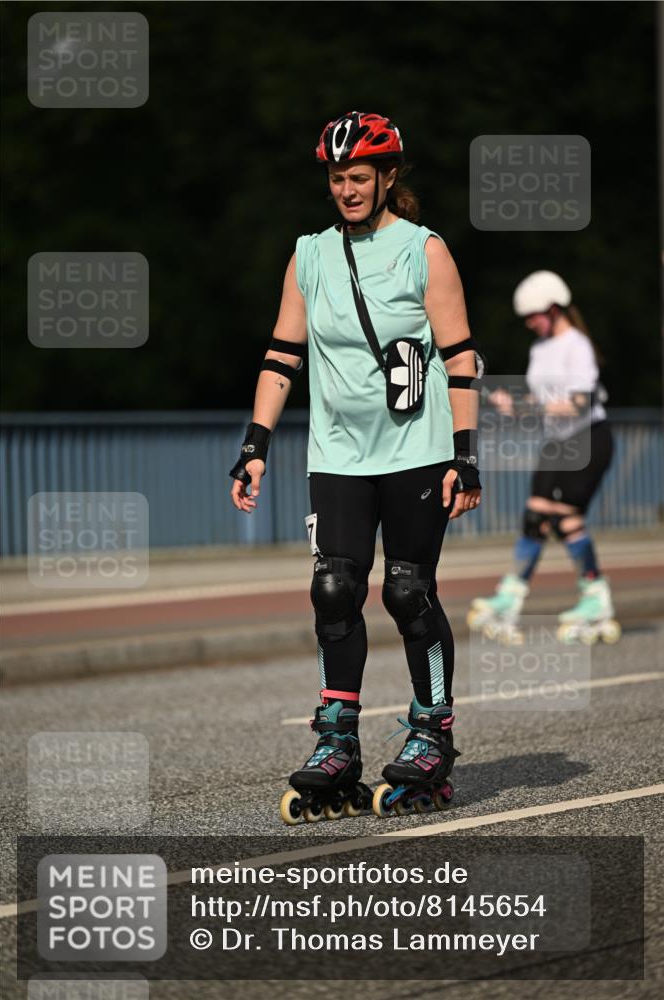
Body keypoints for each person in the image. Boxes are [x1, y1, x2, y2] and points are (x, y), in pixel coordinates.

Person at [230, 111, 485, 823]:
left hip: (417, 449)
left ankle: (431, 733)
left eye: (359, 177)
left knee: (407, 591)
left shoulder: (422, 251)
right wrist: (255, 446)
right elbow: (282, 357)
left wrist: (465, 458)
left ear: (387, 177)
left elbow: (459, 359)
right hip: (338, 451)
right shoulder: (309, 255)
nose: (346, 189)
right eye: (337, 178)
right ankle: (336, 741)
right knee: (334, 587)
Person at [468, 270, 619, 644]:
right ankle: (583, 596)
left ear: (553, 308)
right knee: (549, 519)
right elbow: (540, 401)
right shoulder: (540, 349)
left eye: (534, 315)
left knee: (561, 517)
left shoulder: (577, 345)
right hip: (557, 443)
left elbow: (581, 402)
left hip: (588, 440)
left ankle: (577, 596)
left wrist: (523, 405)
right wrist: (512, 402)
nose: (529, 323)